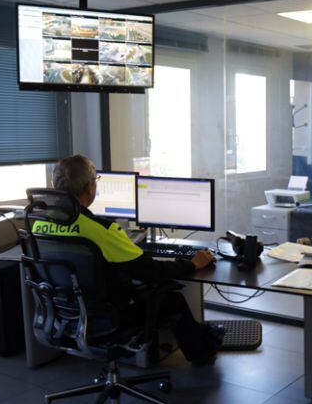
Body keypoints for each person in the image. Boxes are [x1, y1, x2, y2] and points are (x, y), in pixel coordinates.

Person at [32, 155, 223, 365]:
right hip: (109, 317)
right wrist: (192, 263)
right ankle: (202, 354)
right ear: (89, 188)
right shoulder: (102, 230)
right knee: (171, 299)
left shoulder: (39, 224)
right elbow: (150, 271)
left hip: (65, 314)